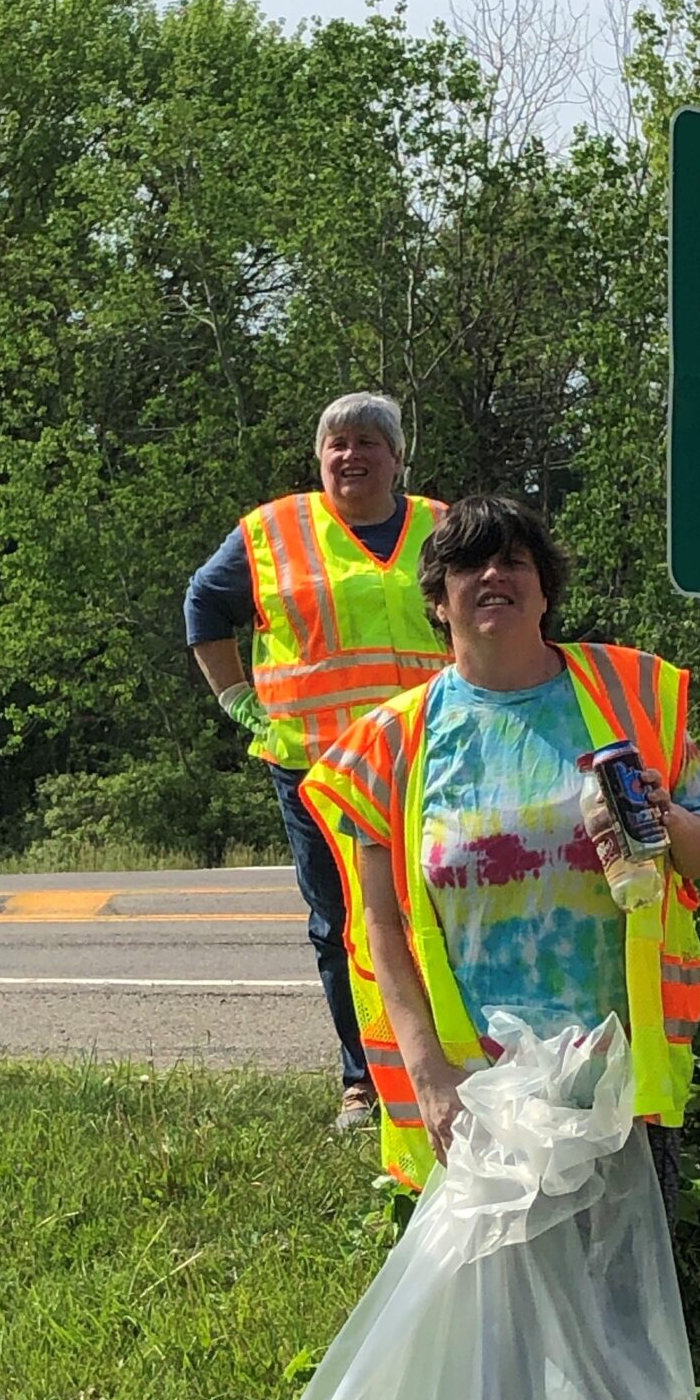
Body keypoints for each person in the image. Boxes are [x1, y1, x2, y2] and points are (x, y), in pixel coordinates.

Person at [300, 494, 700, 1211]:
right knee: (500, 1282)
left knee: (623, 1278)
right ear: (439, 603)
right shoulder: (390, 743)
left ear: (545, 590)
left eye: (514, 561)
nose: (493, 575)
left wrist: (668, 818)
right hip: (482, 1089)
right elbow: (380, 928)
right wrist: (428, 1077)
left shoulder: (633, 694)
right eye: (469, 565)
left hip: (619, 1074)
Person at [186, 393, 448, 1131]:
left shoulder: (442, 527)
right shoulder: (273, 531)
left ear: (397, 458)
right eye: (337, 443)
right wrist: (236, 698)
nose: (349, 455)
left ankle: (448, 1058)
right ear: (319, 458)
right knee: (341, 924)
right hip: (318, 767)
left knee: (444, 910)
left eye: (367, 442)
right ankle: (363, 1080)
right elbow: (203, 605)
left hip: (431, 760)